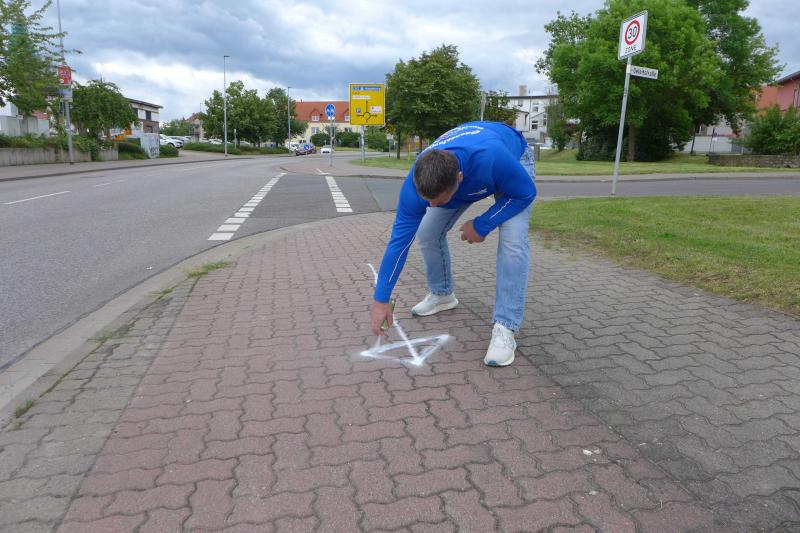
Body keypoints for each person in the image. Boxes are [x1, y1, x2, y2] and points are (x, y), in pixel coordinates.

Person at [370, 121, 537, 366]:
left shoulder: (492, 159)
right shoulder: (415, 186)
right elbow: (399, 243)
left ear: (459, 180)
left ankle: (506, 327)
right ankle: (442, 294)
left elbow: (525, 193)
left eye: (437, 201)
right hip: (469, 171)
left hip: (511, 164)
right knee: (428, 231)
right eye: (427, 200)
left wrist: (482, 224)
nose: (431, 206)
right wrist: (381, 299)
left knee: (513, 243)